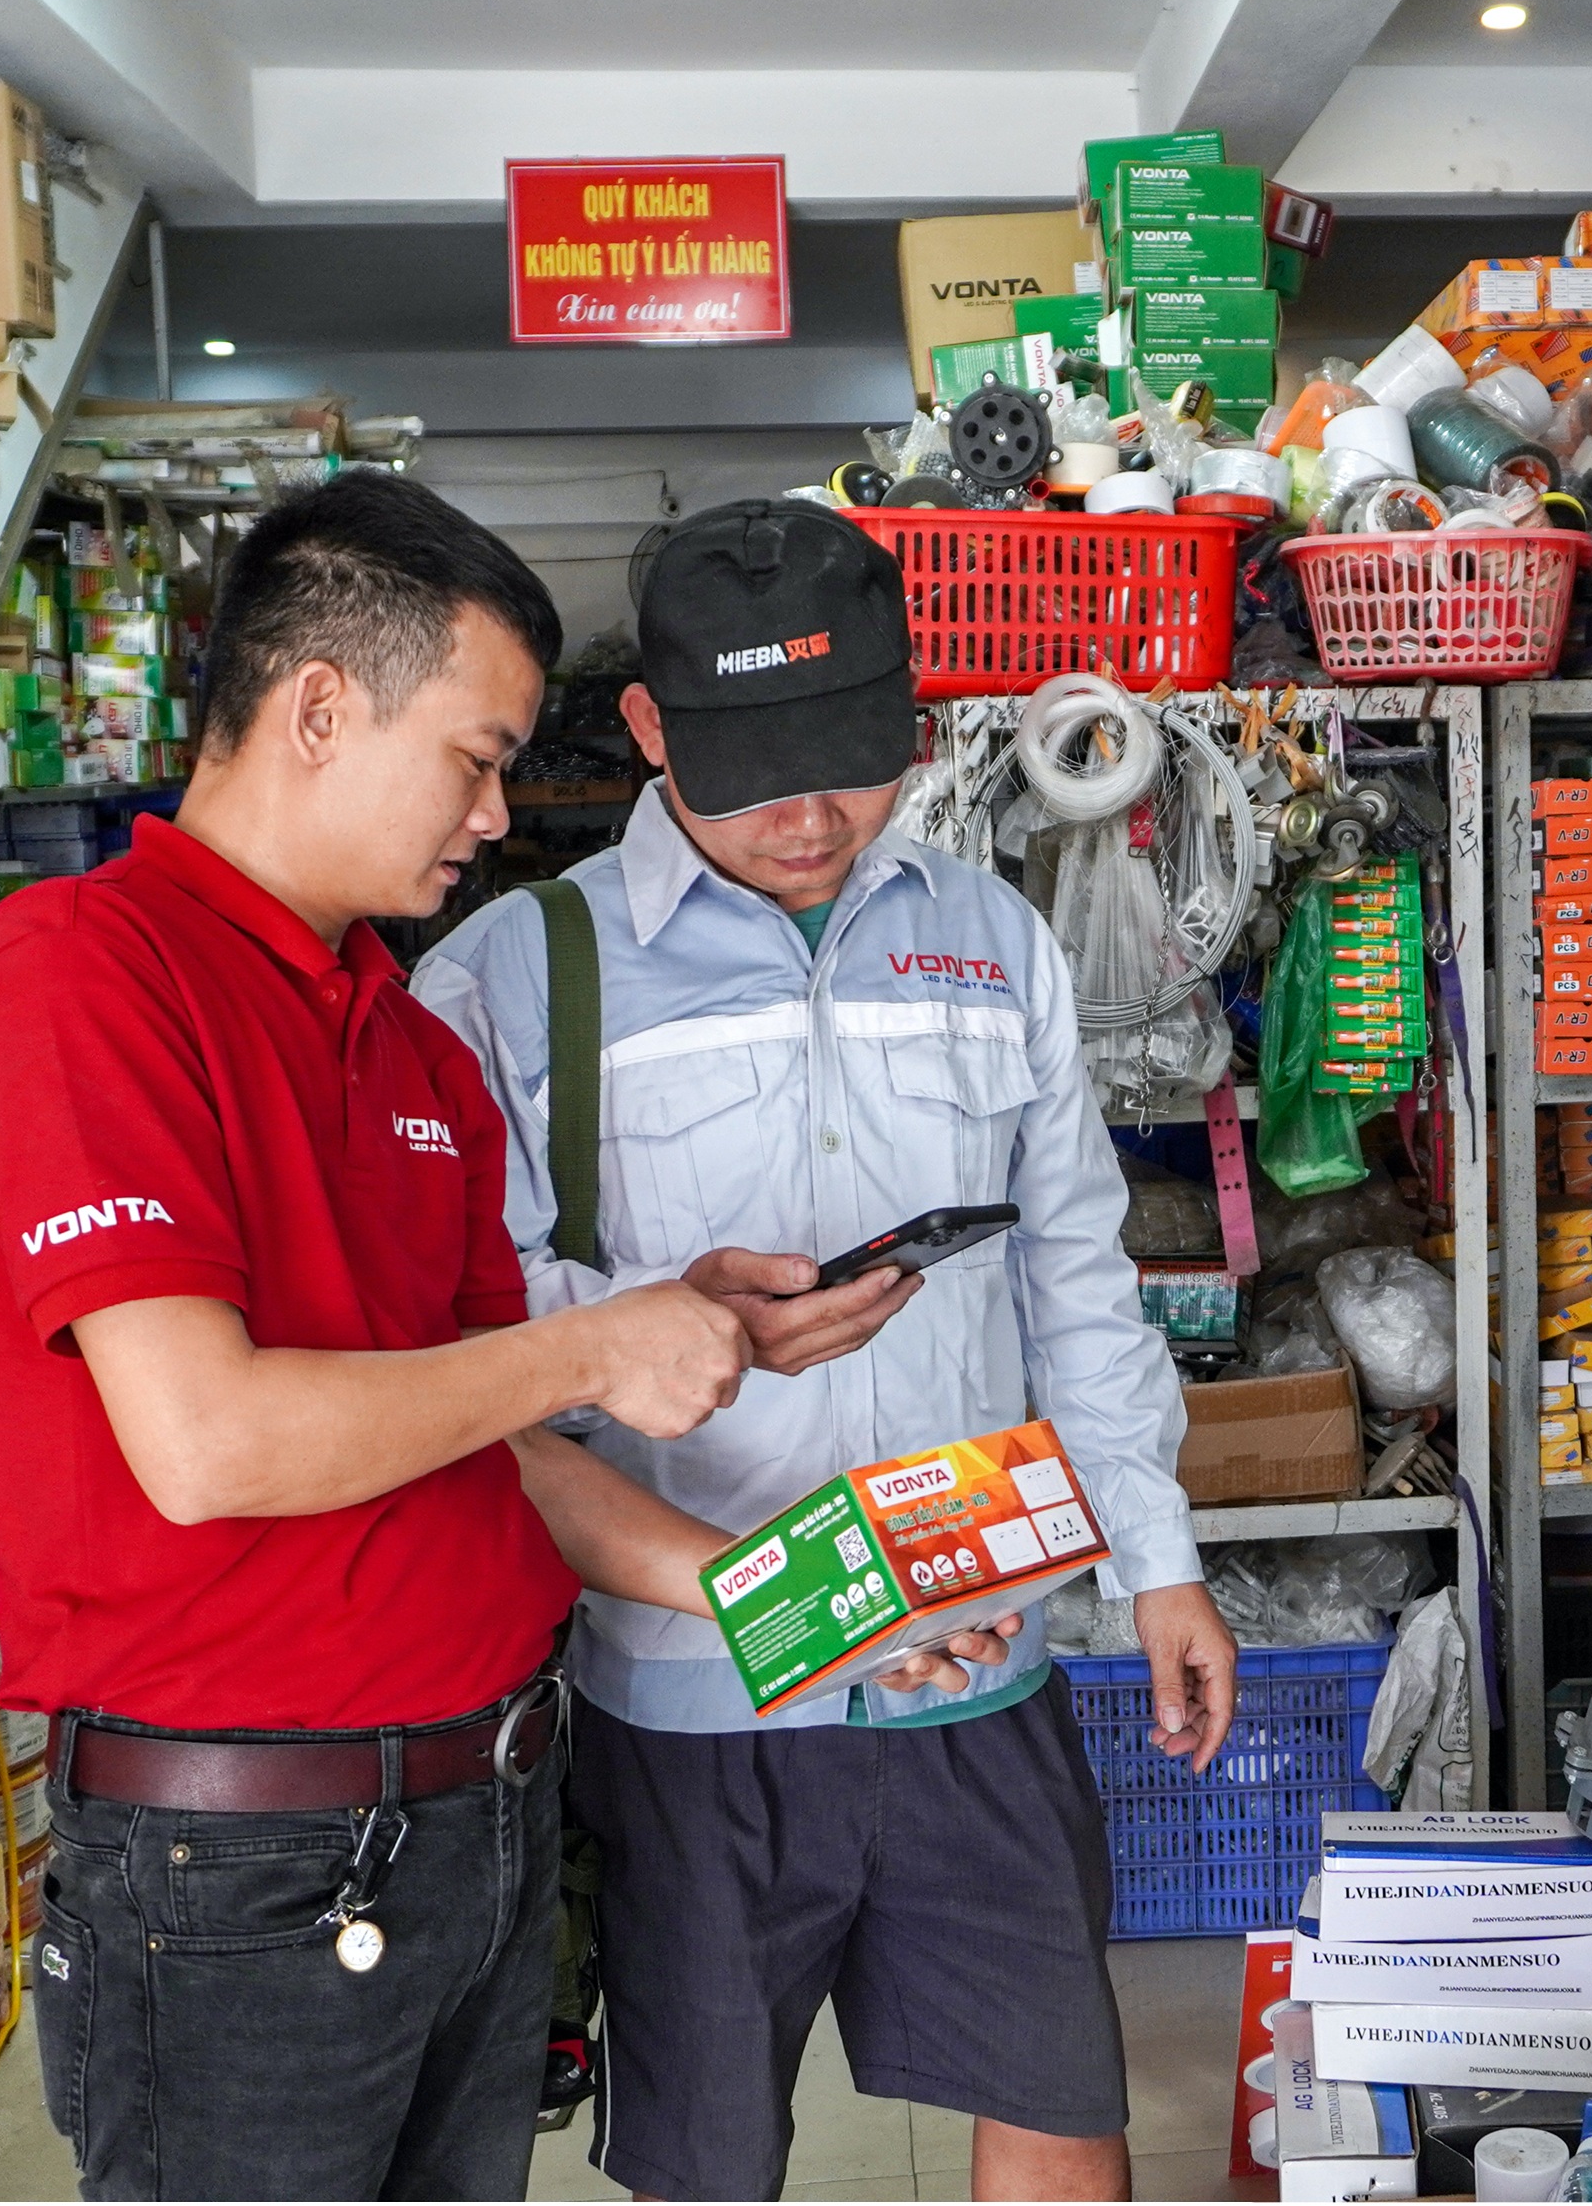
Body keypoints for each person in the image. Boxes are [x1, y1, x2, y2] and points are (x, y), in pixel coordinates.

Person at [0, 472, 957, 2200]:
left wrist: (810, 1607)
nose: (493, 814)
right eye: (472, 757)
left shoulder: (404, 1046)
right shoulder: (79, 975)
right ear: (318, 705)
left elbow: (504, 1450)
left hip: (482, 1825)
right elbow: (208, 1442)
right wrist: (594, 1346)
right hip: (239, 1870)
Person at [413, 499, 1240, 2204]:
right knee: (709, 2160)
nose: (811, 816)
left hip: (980, 1641)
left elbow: (1074, 1277)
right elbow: (467, 1361)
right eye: (757, 769)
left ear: (912, 714)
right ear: (648, 730)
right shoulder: (514, 976)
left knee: (1063, 2106)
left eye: (851, 758)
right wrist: (672, 1323)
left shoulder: (988, 937)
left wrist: (1157, 1561)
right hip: (695, 1694)